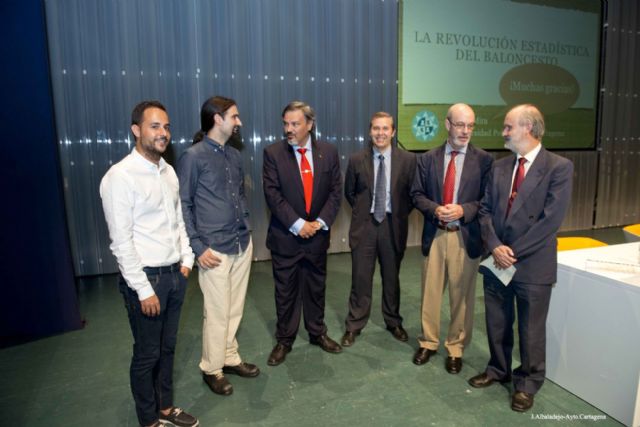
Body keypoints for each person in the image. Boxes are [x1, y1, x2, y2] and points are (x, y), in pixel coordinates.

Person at [468, 104, 573, 413]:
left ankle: (527, 383)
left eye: (508, 127)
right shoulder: (499, 167)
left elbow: (550, 221)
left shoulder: (559, 167)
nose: (503, 132)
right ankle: (498, 369)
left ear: (528, 128)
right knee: (497, 320)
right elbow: (485, 210)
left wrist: (510, 253)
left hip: (531, 263)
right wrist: (495, 246)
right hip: (497, 259)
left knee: (530, 329)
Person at [100, 100, 198, 427]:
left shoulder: (168, 171)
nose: (163, 133)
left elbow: (179, 221)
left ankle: (165, 408)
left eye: (166, 127)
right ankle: (148, 420)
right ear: (136, 130)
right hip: (146, 281)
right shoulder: (120, 176)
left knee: (167, 349)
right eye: (155, 126)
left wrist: (187, 260)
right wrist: (143, 290)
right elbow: (121, 241)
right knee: (147, 355)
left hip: (174, 276)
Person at [177, 96, 258, 396]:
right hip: (213, 249)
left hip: (241, 242)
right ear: (217, 119)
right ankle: (211, 368)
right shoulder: (192, 157)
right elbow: (183, 205)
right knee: (217, 310)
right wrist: (198, 247)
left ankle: (229, 356)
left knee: (234, 307)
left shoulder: (234, 156)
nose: (239, 122)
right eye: (234, 116)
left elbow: (239, 196)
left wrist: (246, 228)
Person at [410, 103, 493, 374]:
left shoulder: (484, 160)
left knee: (462, 297)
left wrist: (464, 210)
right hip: (435, 234)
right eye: (460, 125)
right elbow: (417, 194)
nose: (465, 131)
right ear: (447, 125)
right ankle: (428, 342)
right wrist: (435, 209)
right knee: (430, 293)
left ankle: (455, 348)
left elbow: (487, 200)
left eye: (470, 125)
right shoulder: (427, 159)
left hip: (464, 236)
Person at [262, 100, 343, 365]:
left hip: (317, 237)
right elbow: (272, 194)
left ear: (309, 124)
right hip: (286, 238)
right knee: (285, 292)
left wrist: (319, 223)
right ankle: (284, 340)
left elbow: (335, 192)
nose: (289, 129)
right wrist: (298, 224)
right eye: (286, 124)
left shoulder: (328, 152)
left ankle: (317, 333)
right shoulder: (273, 154)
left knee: (316, 288)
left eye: (295, 124)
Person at [340, 112, 416, 347]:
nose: (380, 133)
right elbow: (350, 193)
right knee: (360, 278)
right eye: (376, 128)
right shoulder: (356, 160)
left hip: (393, 227)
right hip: (365, 227)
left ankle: (393, 321)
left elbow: (412, 195)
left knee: (391, 278)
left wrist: (397, 214)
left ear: (393, 132)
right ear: (370, 131)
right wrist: (366, 212)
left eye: (385, 129)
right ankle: (354, 324)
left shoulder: (408, 160)